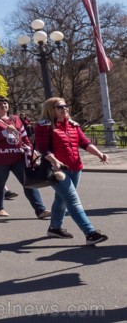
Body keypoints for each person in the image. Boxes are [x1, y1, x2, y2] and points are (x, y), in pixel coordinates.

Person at [35, 98, 109, 245]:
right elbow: (43, 148)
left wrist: (100, 154)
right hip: (56, 170)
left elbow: (84, 142)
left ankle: (54, 228)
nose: (64, 108)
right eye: (59, 107)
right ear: (51, 110)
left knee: (61, 199)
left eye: (65, 106)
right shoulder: (44, 126)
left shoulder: (73, 125)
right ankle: (90, 233)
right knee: (72, 200)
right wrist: (55, 161)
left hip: (76, 168)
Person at [0, 96, 50, 219]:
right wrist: (4, 132)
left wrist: (29, 148)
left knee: (29, 182)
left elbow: (23, 136)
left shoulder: (15, 119)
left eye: (5, 103)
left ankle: (40, 210)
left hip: (18, 157)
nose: (3, 106)